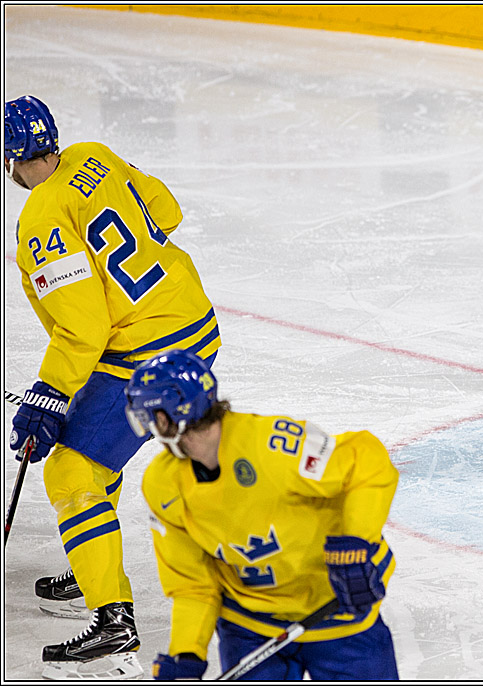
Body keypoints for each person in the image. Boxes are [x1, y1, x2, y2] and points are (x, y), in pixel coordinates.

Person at [5, 95, 221, 679]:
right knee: (96, 455)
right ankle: (92, 564)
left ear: (11, 159)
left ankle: (113, 623)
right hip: (193, 325)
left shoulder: (40, 218)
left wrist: (49, 392)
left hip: (146, 356)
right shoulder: (93, 155)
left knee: (70, 469)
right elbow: (167, 210)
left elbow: (83, 327)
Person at [125, 350, 400, 681]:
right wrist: (186, 653)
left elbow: (367, 461)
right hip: (249, 624)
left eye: (147, 416)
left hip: (337, 609)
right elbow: (193, 584)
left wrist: (356, 542)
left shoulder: (272, 445)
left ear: (167, 416)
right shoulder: (162, 485)